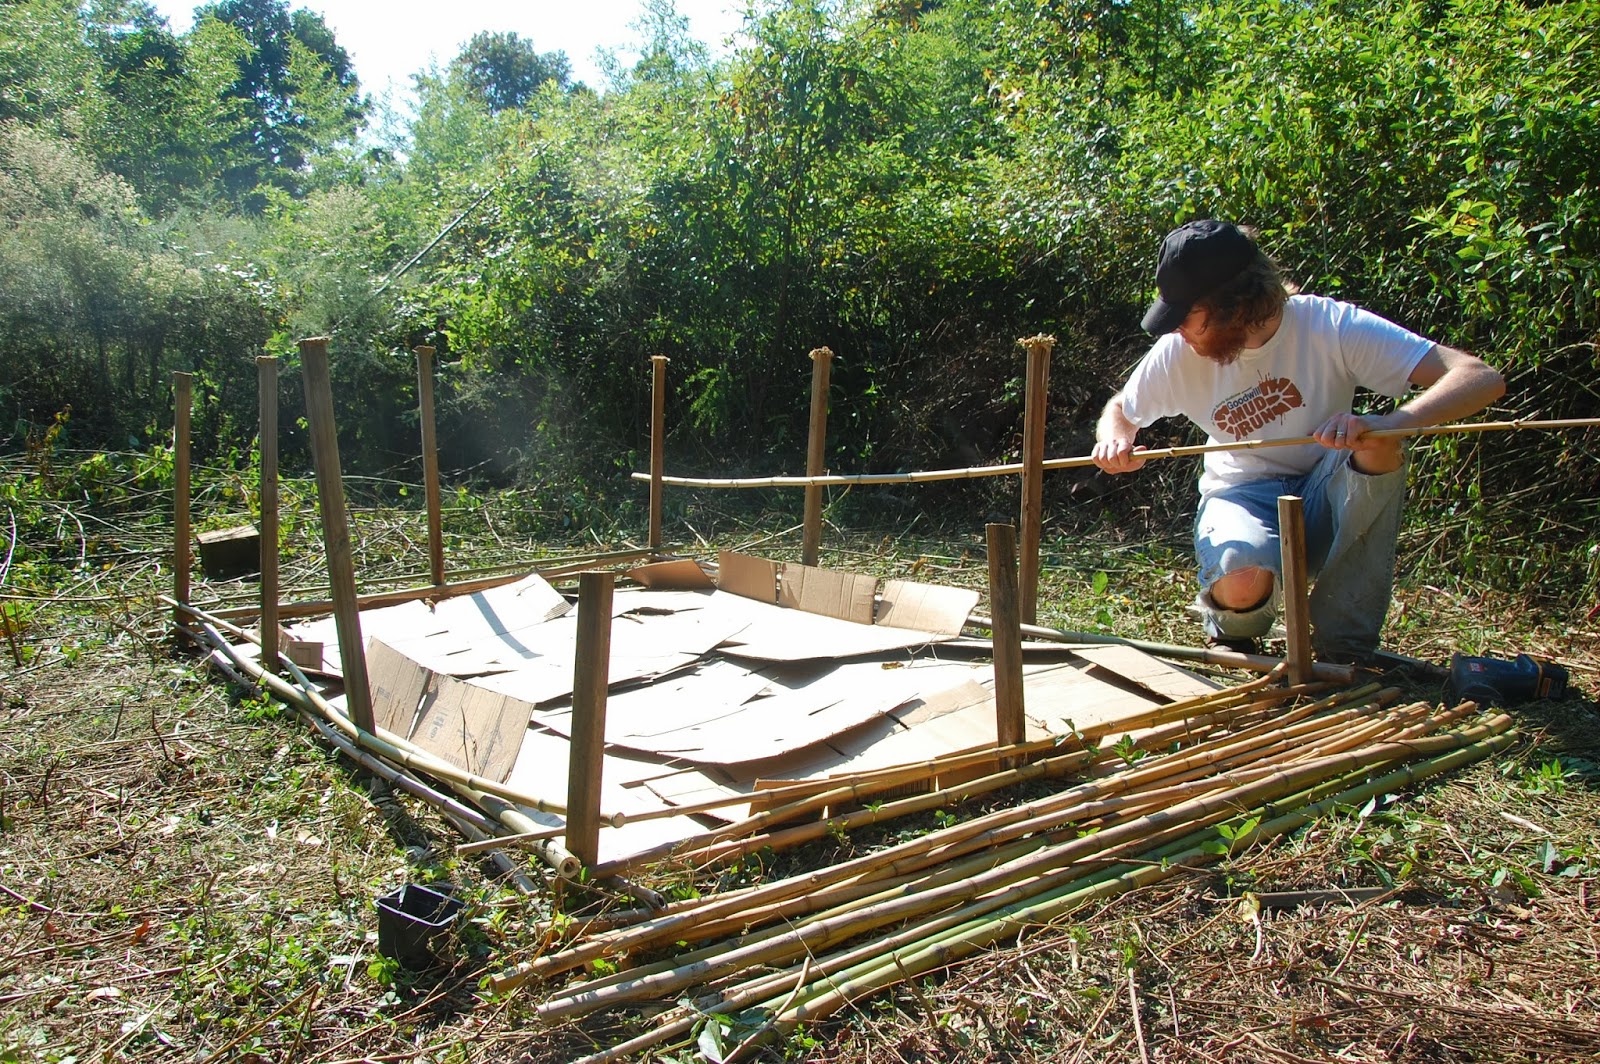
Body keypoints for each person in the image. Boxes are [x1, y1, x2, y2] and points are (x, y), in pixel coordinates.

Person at [1092, 220, 1505, 662]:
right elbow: (1121, 409)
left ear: (1234, 305)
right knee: (1241, 583)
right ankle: (1234, 623)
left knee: (1379, 445)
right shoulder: (1178, 353)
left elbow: (1479, 378)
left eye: (1186, 317)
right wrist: (1116, 439)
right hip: (1242, 495)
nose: (1176, 331)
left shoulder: (1329, 324)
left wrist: (1391, 420)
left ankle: (1345, 640)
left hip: (1329, 488)